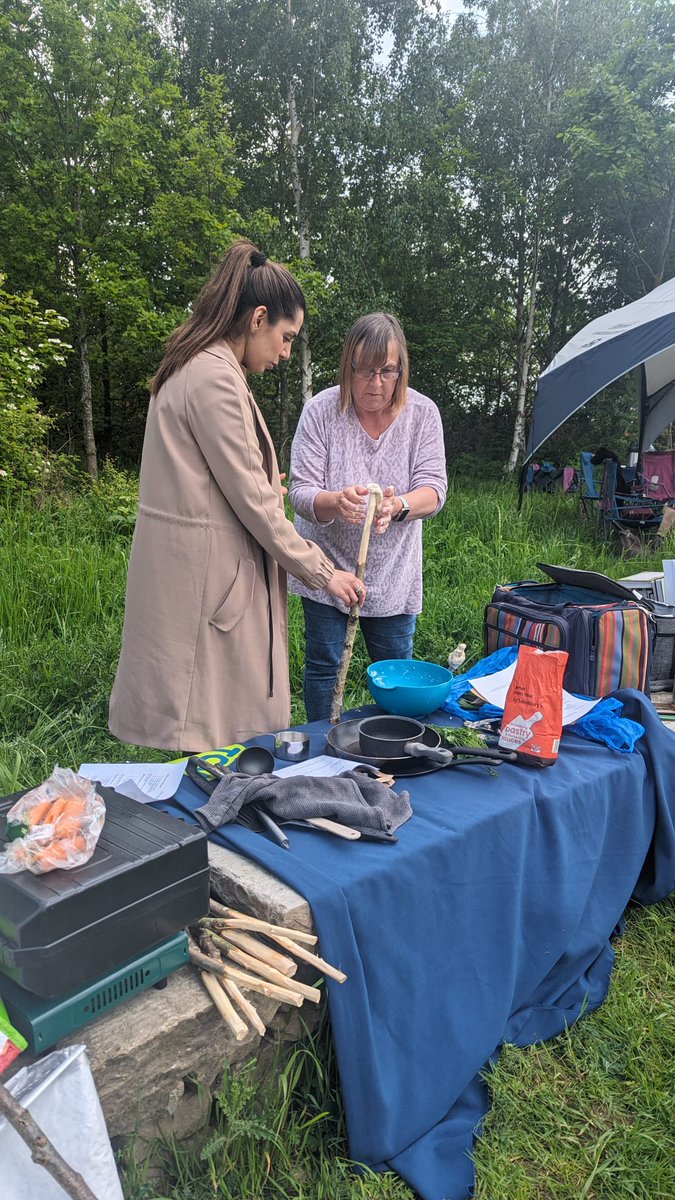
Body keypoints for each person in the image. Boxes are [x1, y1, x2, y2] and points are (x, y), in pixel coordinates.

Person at [109, 240, 366, 752]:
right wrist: (323, 571)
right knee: (208, 738)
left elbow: (215, 481)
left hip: (201, 577)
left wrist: (266, 482)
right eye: (286, 337)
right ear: (258, 318)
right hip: (207, 586)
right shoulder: (214, 378)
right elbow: (255, 504)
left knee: (207, 735)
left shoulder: (199, 364)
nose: (286, 353)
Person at [289, 312, 447, 721]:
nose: (375, 384)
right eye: (364, 372)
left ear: (401, 370)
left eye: (387, 371)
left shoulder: (422, 414)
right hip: (326, 569)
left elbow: (434, 489)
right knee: (324, 667)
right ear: (349, 367)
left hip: (393, 574)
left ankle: (392, 745)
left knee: (396, 671)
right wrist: (335, 501)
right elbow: (302, 493)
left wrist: (398, 507)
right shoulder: (321, 411)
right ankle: (324, 752)